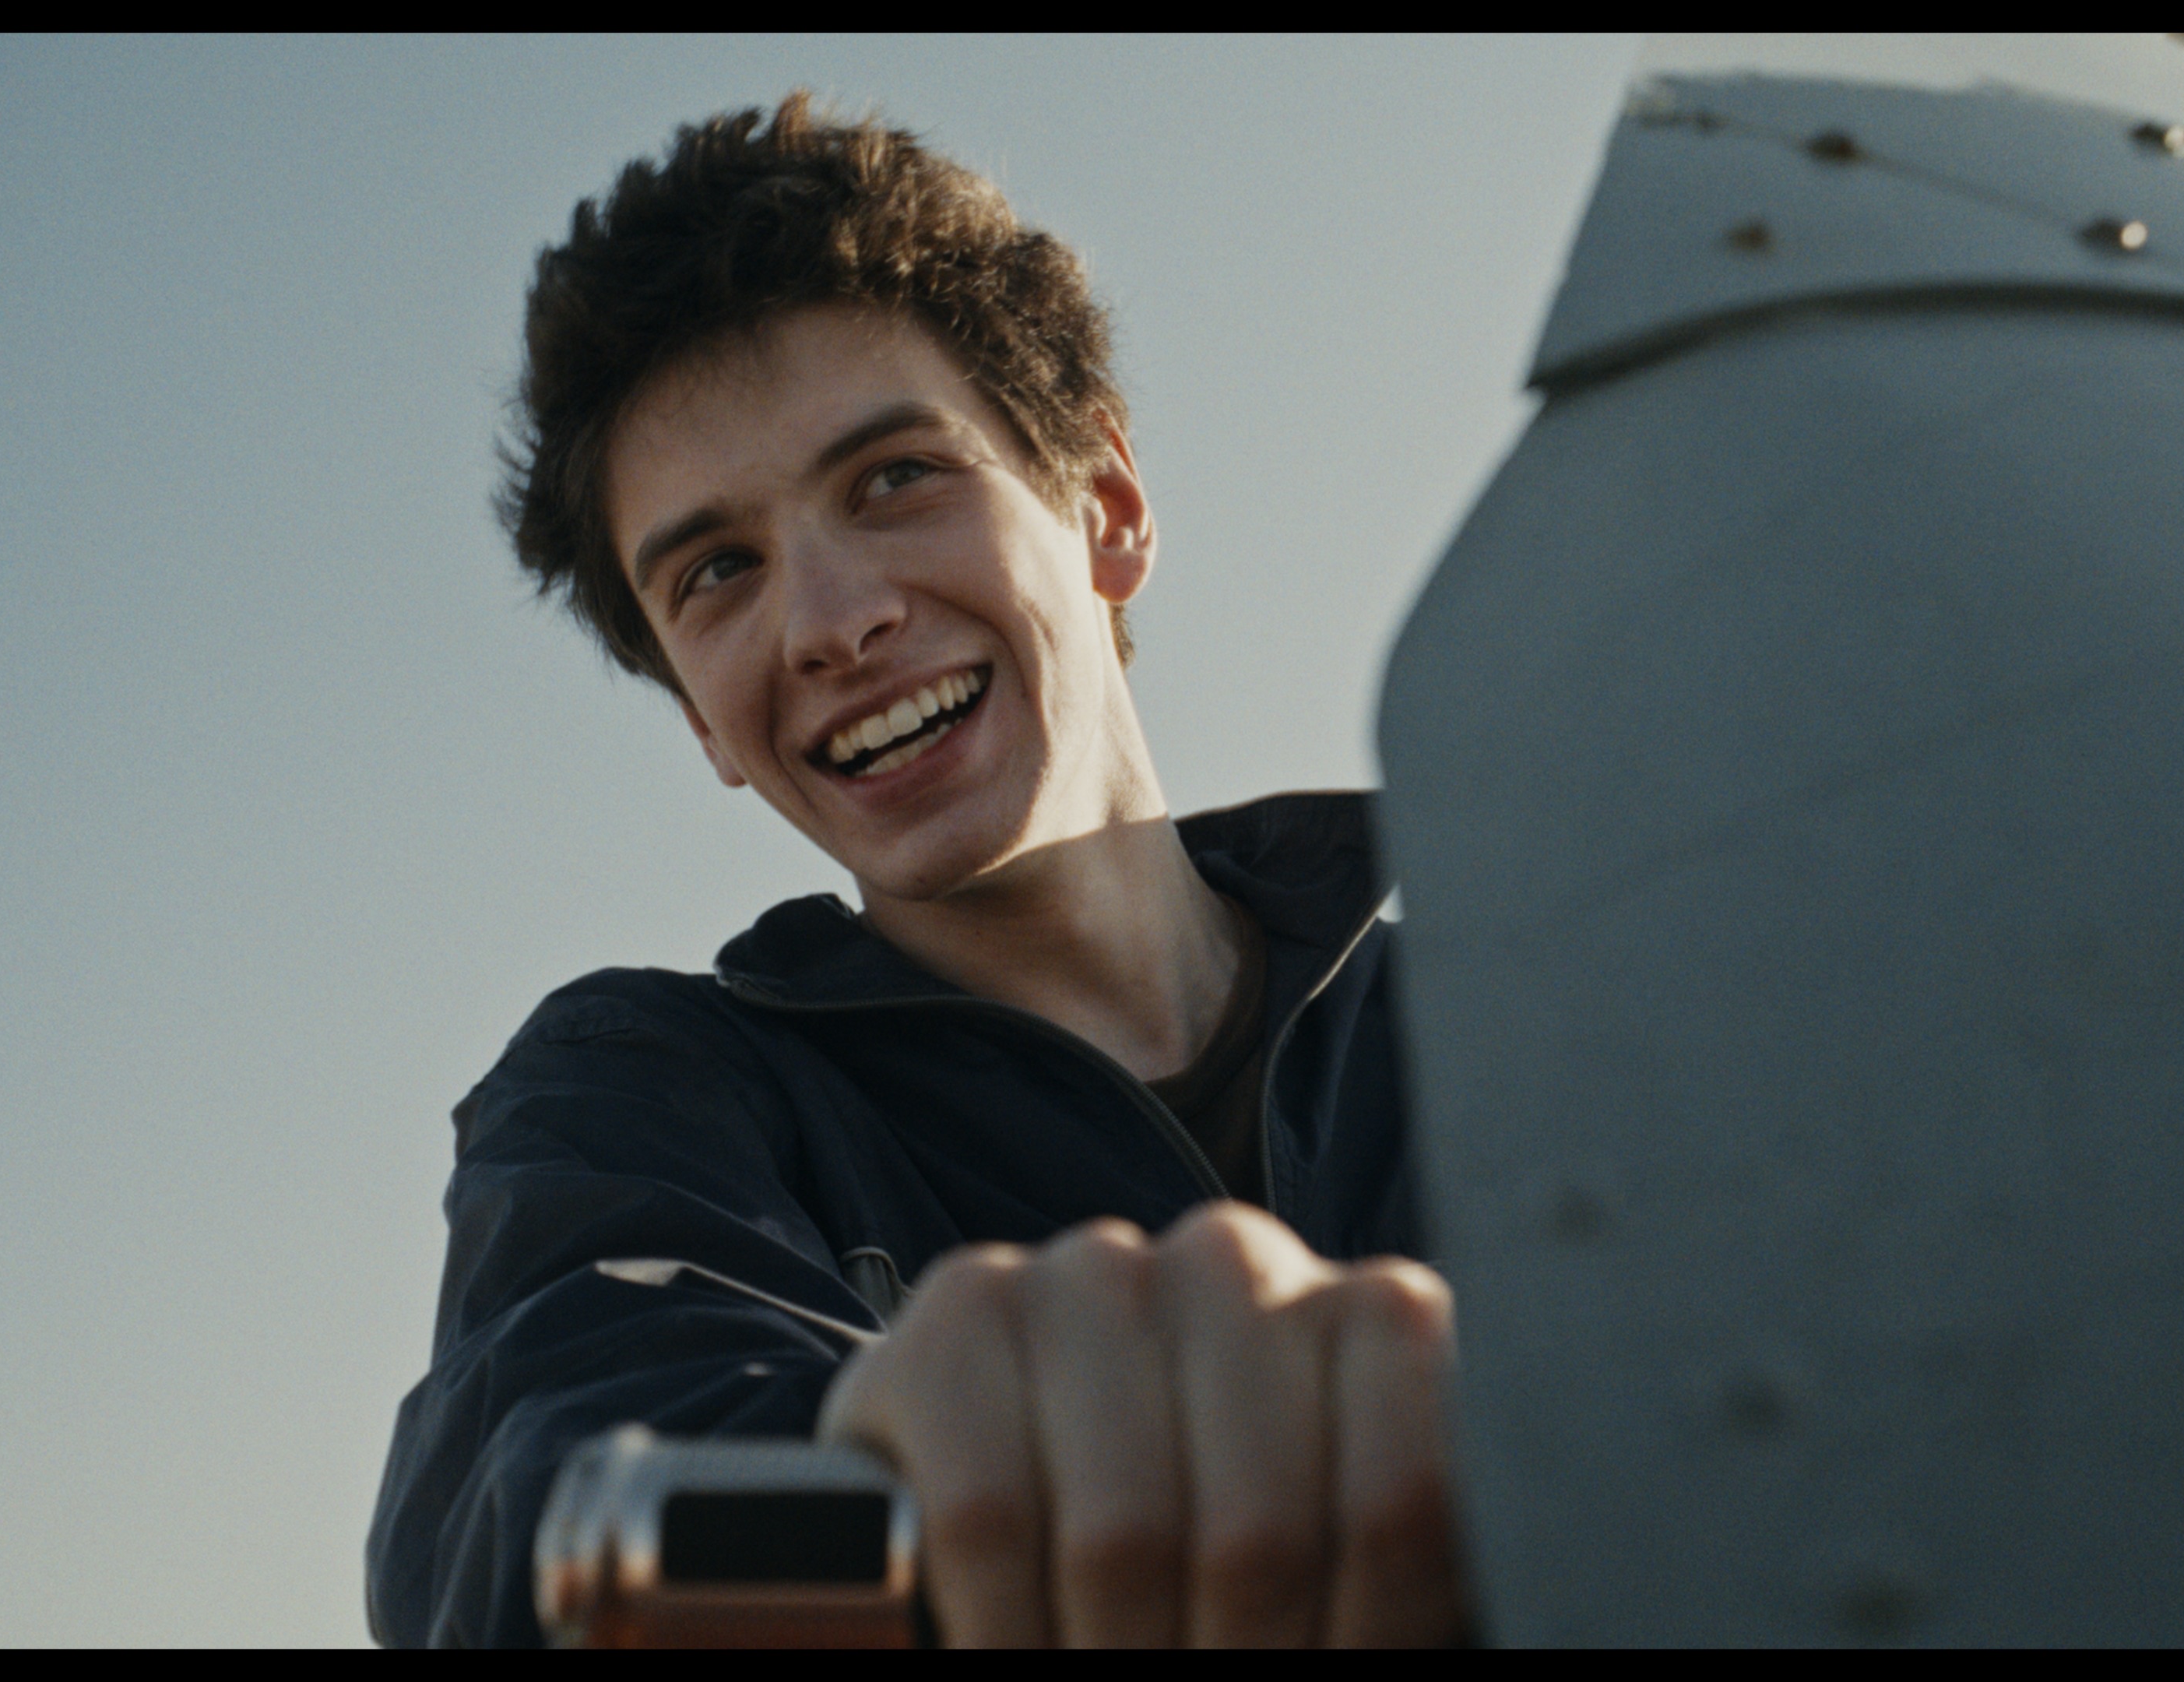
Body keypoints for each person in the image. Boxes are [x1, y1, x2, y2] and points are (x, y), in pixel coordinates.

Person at [364, 93, 1464, 1648]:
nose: (830, 621)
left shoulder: (1530, 1011)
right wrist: (890, 1459)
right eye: (718, 570)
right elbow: (537, 1532)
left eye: (893, 478)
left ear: (1107, 506)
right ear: (702, 721)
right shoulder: (645, 1092)